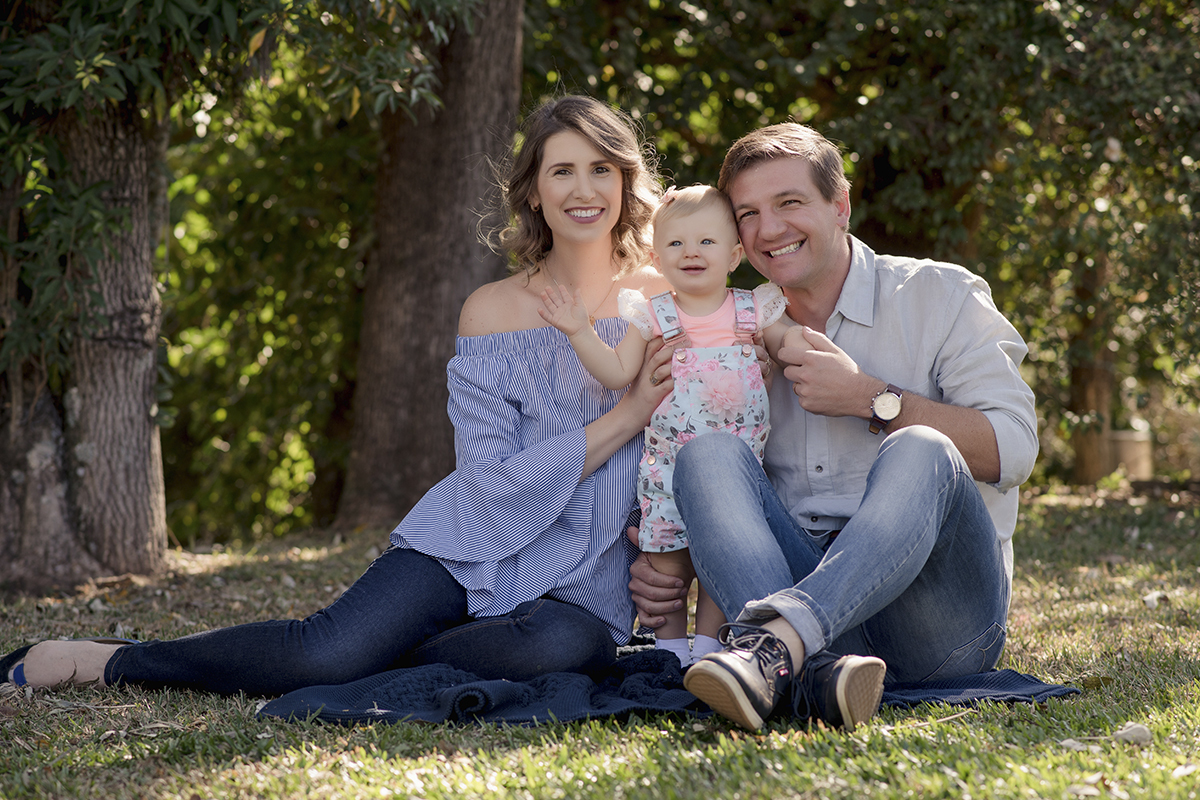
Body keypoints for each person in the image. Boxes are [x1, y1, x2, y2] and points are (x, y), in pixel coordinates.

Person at [1, 95, 679, 696]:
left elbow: (699, 441)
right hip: (472, 542)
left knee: (556, 649)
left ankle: (356, 658)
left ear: (625, 182)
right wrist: (624, 419)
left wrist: (666, 556)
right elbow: (487, 481)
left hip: (587, 572)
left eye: (601, 169)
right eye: (562, 170)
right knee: (322, 651)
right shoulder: (491, 312)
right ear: (533, 191)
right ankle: (117, 661)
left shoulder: (666, 300)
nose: (583, 188)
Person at [630, 123, 1038, 732]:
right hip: (793, 579)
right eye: (748, 213)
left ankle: (775, 648)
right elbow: (703, 481)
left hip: (935, 625)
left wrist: (870, 399)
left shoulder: (940, 295)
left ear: (839, 204)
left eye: (789, 203)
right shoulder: (733, 327)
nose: (770, 228)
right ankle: (810, 671)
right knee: (707, 453)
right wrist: (670, 565)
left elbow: (1015, 451)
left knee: (921, 447)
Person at [539, 184, 793, 667]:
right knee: (666, 568)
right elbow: (616, 372)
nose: (691, 253)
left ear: (735, 254)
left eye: (706, 242)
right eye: (676, 243)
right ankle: (670, 656)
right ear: (657, 257)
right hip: (669, 471)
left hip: (736, 478)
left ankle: (713, 655)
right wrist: (579, 330)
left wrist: (809, 358)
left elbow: (792, 347)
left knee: (720, 564)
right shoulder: (654, 315)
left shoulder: (752, 310)